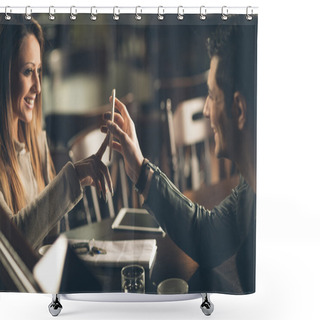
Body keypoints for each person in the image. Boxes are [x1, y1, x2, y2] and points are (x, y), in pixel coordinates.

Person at [102, 25, 256, 293]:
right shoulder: (250, 190)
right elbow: (208, 238)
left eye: (212, 96)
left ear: (239, 109)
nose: (206, 111)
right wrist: (140, 168)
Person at [0, 16, 112, 250]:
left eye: (39, 71)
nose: (38, 87)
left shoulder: (35, 141)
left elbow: (50, 235)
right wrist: (73, 177)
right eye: (28, 71)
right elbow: (13, 245)